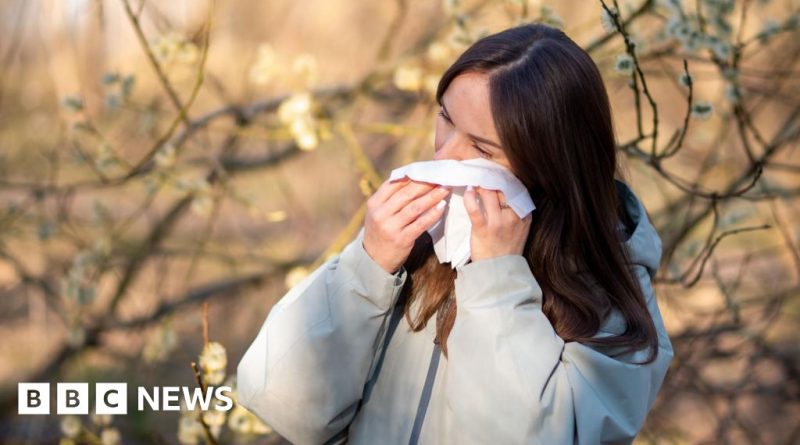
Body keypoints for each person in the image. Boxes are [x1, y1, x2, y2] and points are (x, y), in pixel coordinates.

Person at [236, 23, 673, 444]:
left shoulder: (611, 304)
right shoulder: (421, 240)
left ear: (551, 165)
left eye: (481, 148)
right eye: (445, 119)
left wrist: (498, 279)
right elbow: (279, 401)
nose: (445, 154)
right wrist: (366, 268)